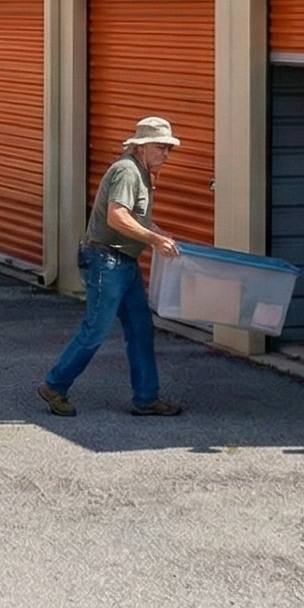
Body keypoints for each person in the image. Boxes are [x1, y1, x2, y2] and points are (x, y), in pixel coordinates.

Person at [38, 116, 184, 417]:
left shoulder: (142, 171)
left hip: (122, 261)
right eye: (161, 147)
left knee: (141, 328)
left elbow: (135, 216)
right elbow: (117, 216)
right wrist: (155, 240)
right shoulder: (127, 172)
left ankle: (146, 397)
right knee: (97, 328)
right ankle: (55, 385)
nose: (166, 154)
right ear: (141, 147)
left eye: (169, 148)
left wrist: (158, 232)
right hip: (106, 259)